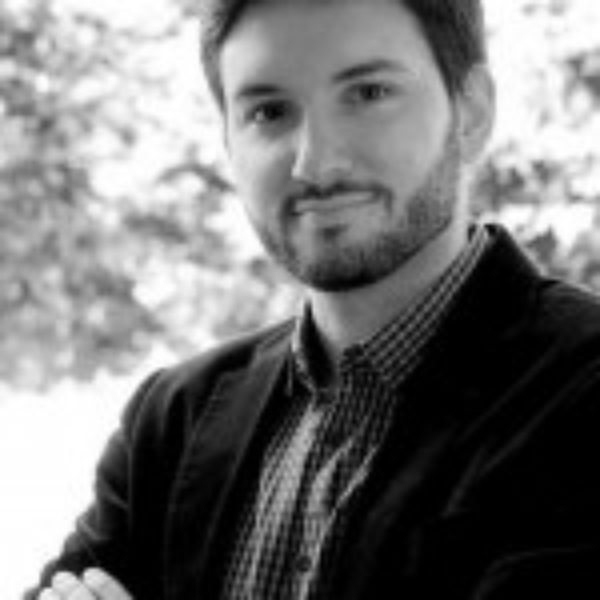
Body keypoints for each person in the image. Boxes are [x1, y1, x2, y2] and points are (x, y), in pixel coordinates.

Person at [30, 0, 600, 598]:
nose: (315, 163)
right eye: (268, 111)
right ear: (228, 141)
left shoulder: (586, 390)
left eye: (369, 93)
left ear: (471, 112)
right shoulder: (172, 418)